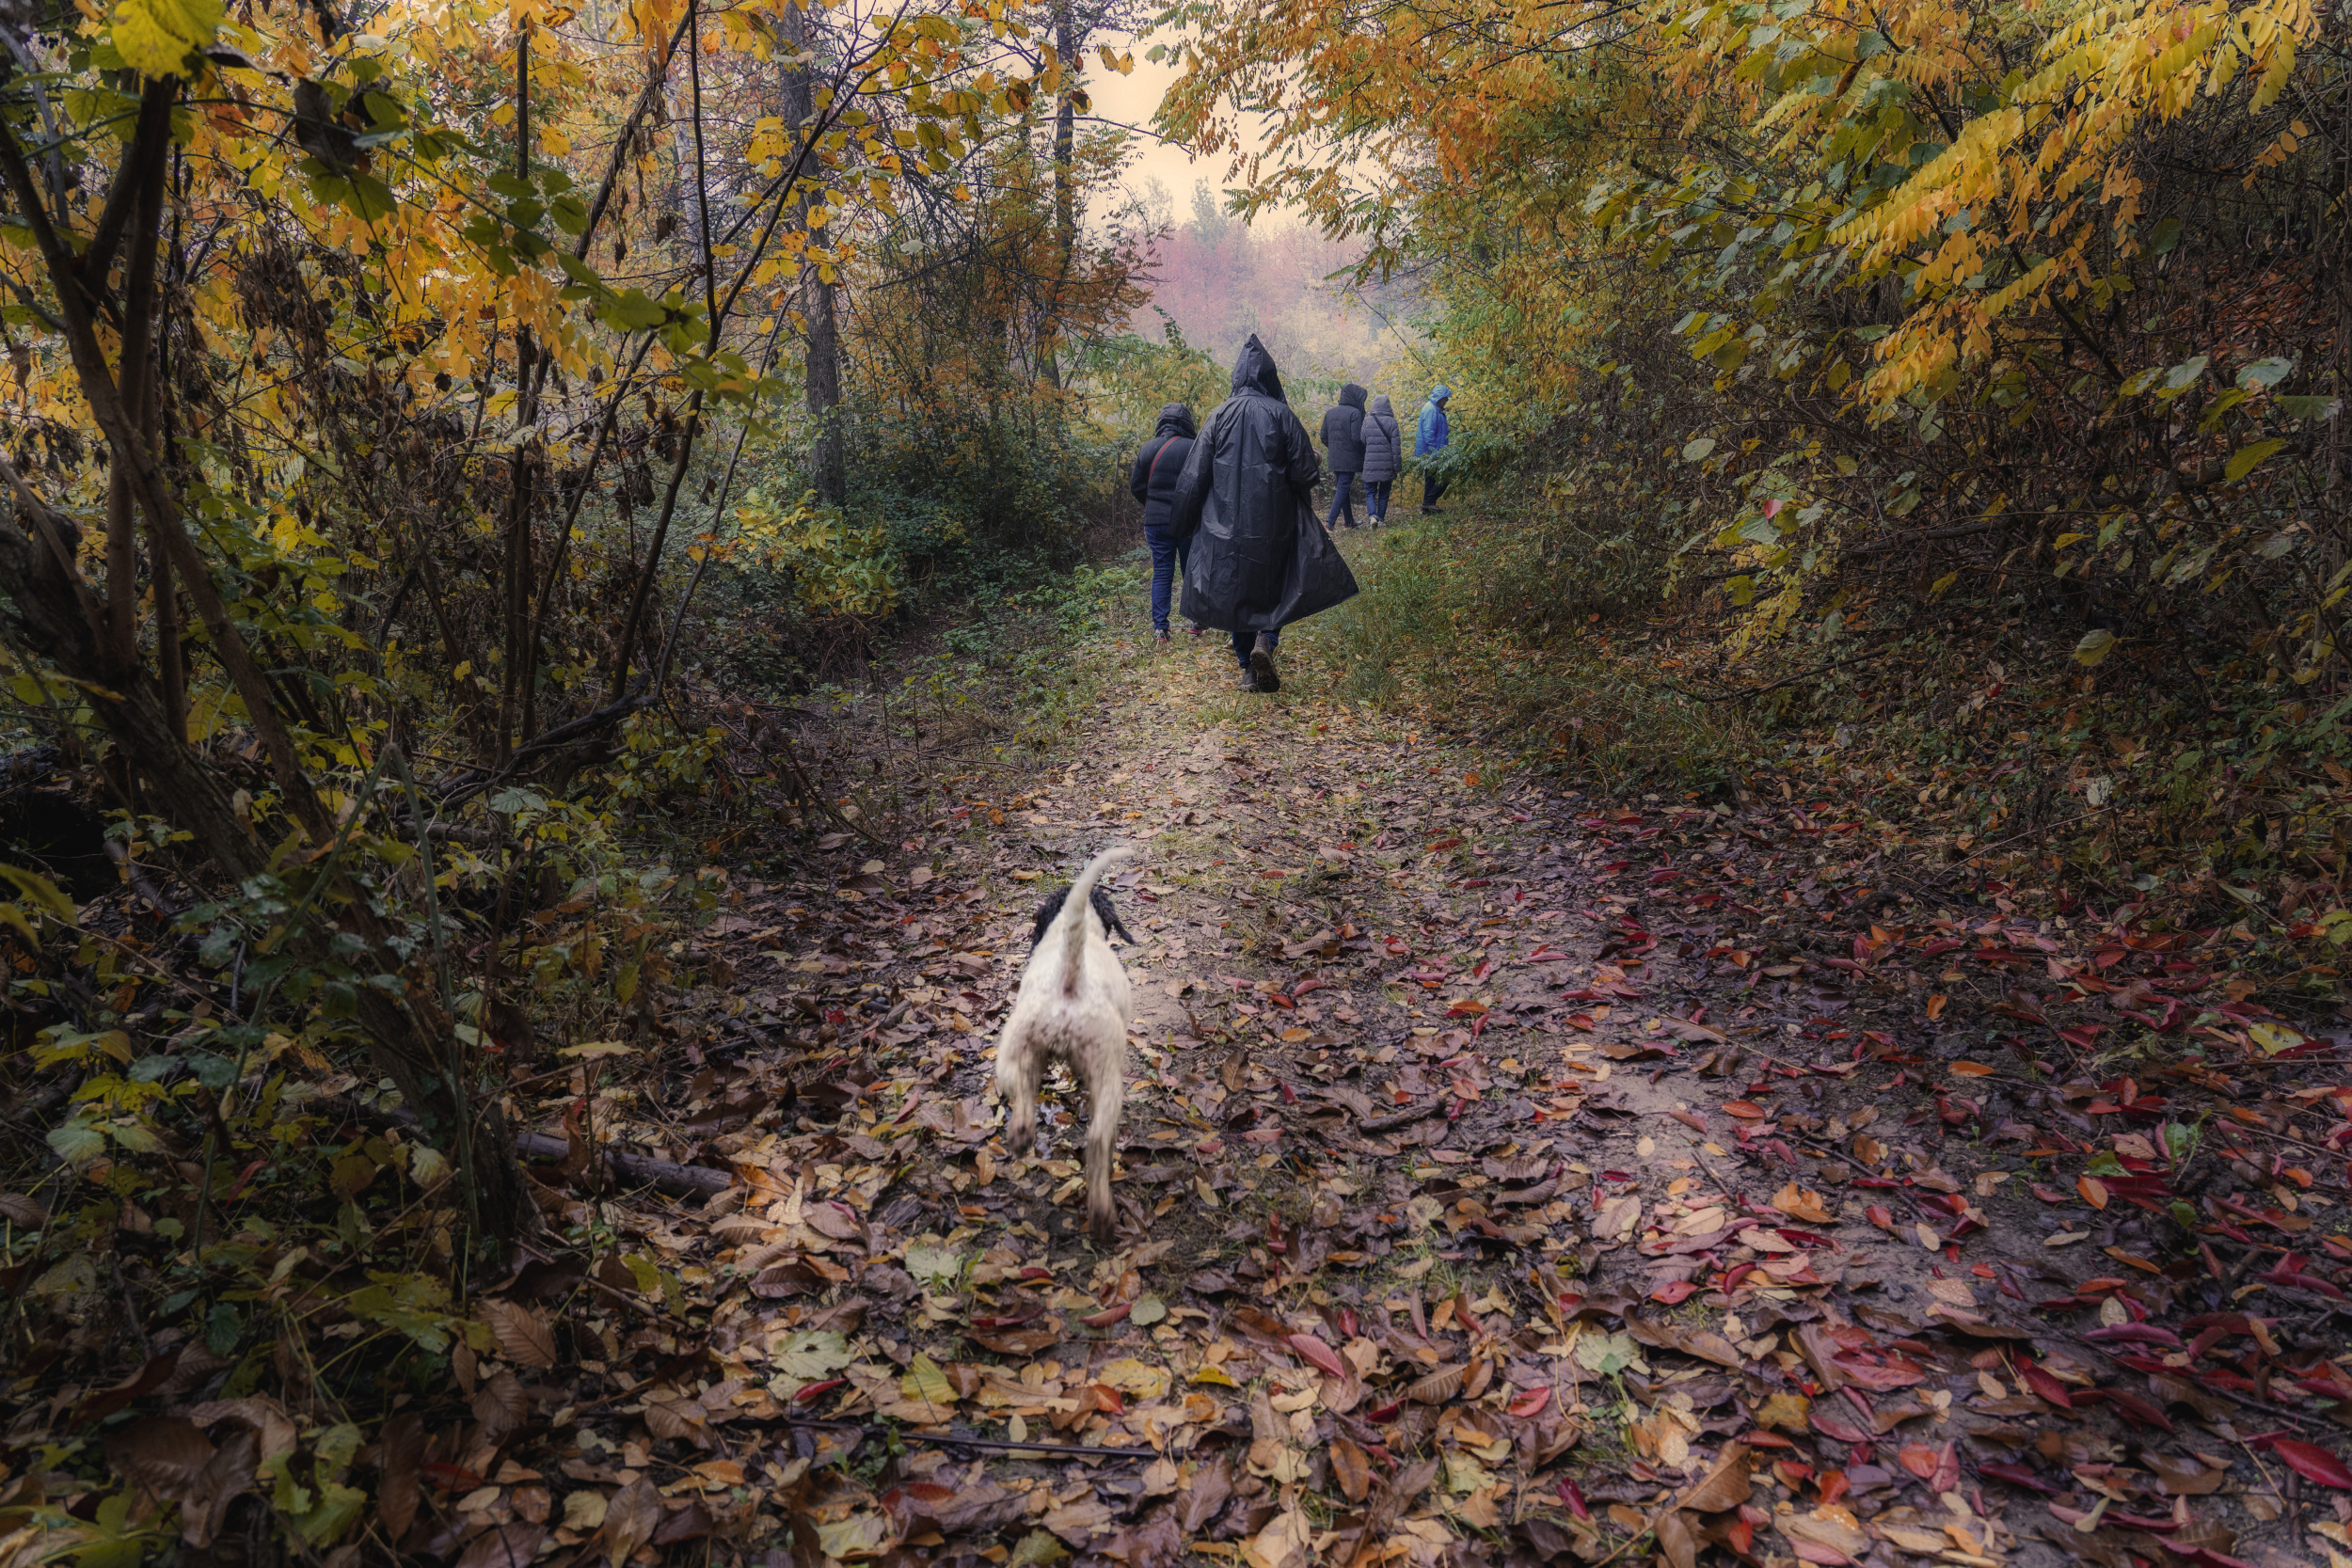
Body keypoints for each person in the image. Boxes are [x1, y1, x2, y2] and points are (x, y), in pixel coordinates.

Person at [1168, 335, 1359, 693]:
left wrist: (1179, 523)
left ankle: (1246, 667)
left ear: (1236, 376)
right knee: (1278, 584)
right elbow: (1306, 473)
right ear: (1270, 377)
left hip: (1223, 525)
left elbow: (1193, 476)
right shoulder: (1281, 414)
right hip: (1274, 522)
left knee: (1235, 593)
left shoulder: (1217, 416)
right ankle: (1266, 640)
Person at [1129, 404, 1200, 642]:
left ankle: (1160, 628)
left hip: (1156, 522)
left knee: (1161, 572)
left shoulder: (1148, 448)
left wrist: (1152, 506)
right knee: (1191, 570)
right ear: (1187, 422)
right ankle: (1196, 622)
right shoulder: (1193, 447)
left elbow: (1136, 486)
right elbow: (1202, 484)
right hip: (1187, 520)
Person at [1319, 383, 1368, 529]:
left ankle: (1349, 521)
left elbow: (1323, 436)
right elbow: (1357, 438)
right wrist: (1363, 452)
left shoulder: (1330, 413)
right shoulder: (1355, 413)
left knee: (1343, 488)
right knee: (1343, 488)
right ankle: (1330, 523)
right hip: (1349, 459)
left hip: (1335, 458)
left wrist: (1335, 448)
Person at [1360, 392, 1402, 524]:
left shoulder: (1367, 421)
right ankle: (1381, 519)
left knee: (1370, 492)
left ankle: (1373, 516)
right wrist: (1397, 467)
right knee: (1384, 493)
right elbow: (1396, 447)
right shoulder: (1392, 422)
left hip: (1370, 463)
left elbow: (1362, 439)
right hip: (1387, 464)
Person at [1415, 384, 1453, 515]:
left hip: (1433, 452)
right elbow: (1429, 435)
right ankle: (1428, 502)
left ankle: (1428, 507)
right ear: (1439, 398)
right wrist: (1435, 454)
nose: (1446, 401)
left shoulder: (1436, 409)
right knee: (1447, 474)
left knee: (1431, 480)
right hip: (1432, 453)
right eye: (1445, 399)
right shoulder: (1431, 410)